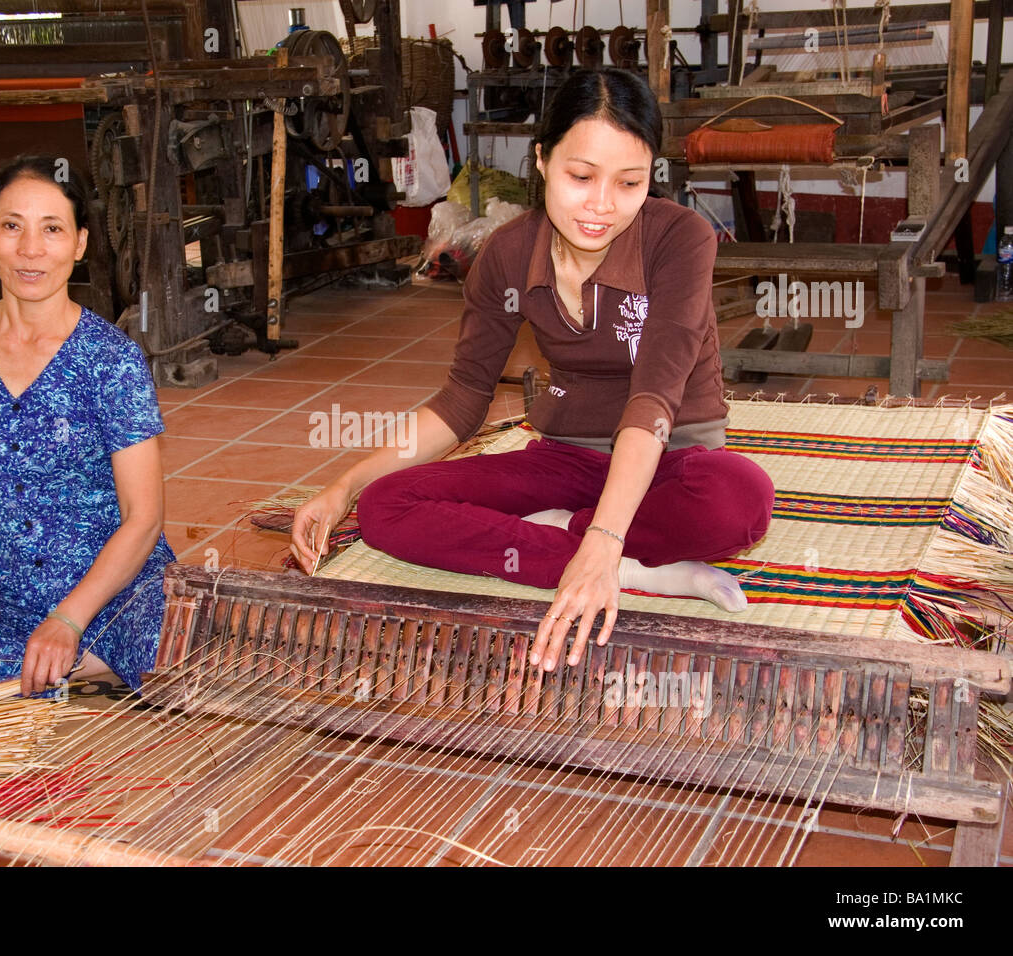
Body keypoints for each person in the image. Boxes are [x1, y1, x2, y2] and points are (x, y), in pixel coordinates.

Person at [290, 68, 774, 675]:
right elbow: (463, 397)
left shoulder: (681, 239)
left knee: (740, 499)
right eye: (581, 177)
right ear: (542, 160)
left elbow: (654, 398)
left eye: (630, 183)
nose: (602, 206)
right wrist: (345, 486)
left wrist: (598, 531)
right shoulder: (508, 255)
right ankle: (631, 566)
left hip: (669, 461)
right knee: (387, 507)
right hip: (566, 457)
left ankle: (584, 540)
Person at [0, 155, 173, 699]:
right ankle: (83, 666)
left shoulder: (111, 360)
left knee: (179, 651)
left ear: (80, 243)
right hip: (7, 594)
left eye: (52, 229)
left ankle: (73, 659)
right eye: (12, 226)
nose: (30, 250)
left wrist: (69, 620)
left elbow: (145, 518)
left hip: (118, 588)